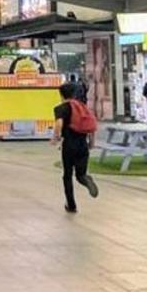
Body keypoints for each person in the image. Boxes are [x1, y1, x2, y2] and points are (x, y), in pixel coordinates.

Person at [52, 82, 99, 213]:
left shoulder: (61, 108)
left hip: (69, 144)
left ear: (61, 94)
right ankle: (86, 180)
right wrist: (92, 142)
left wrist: (55, 138)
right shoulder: (83, 107)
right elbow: (92, 125)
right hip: (83, 144)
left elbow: (59, 124)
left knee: (67, 175)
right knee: (80, 175)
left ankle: (71, 205)